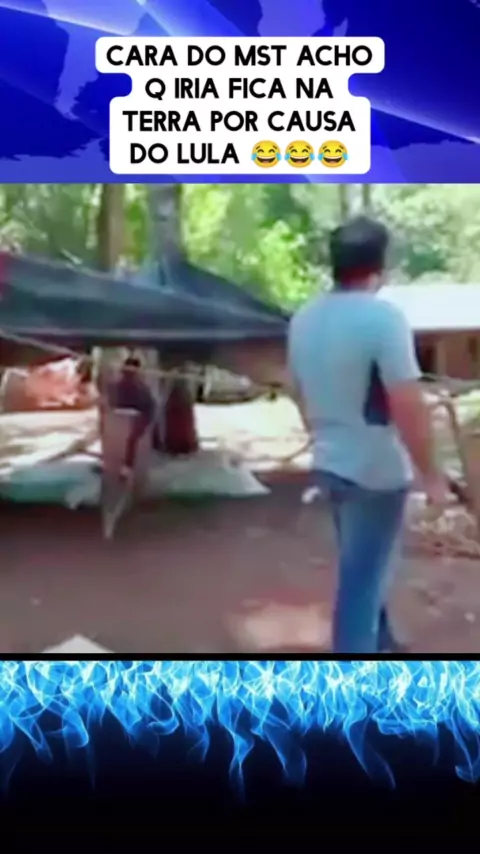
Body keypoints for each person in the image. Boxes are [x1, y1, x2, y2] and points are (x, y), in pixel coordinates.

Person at [287, 215, 449, 653]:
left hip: (331, 464)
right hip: (376, 472)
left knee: (363, 564)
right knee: (362, 583)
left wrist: (324, 434)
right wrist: (432, 477)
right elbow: (407, 402)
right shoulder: (383, 318)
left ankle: (384, 643)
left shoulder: (303, 318)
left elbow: (297, 390)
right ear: (381, 264)